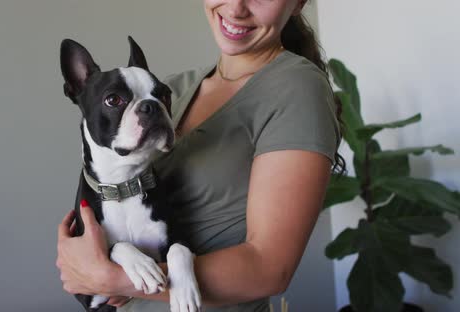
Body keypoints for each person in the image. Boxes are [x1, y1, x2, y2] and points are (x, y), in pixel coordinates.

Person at [56, 0, 346, 311]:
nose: (236, 8)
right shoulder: (174, 90)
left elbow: (271, 269)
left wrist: (107, 277)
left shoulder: (295, 88)